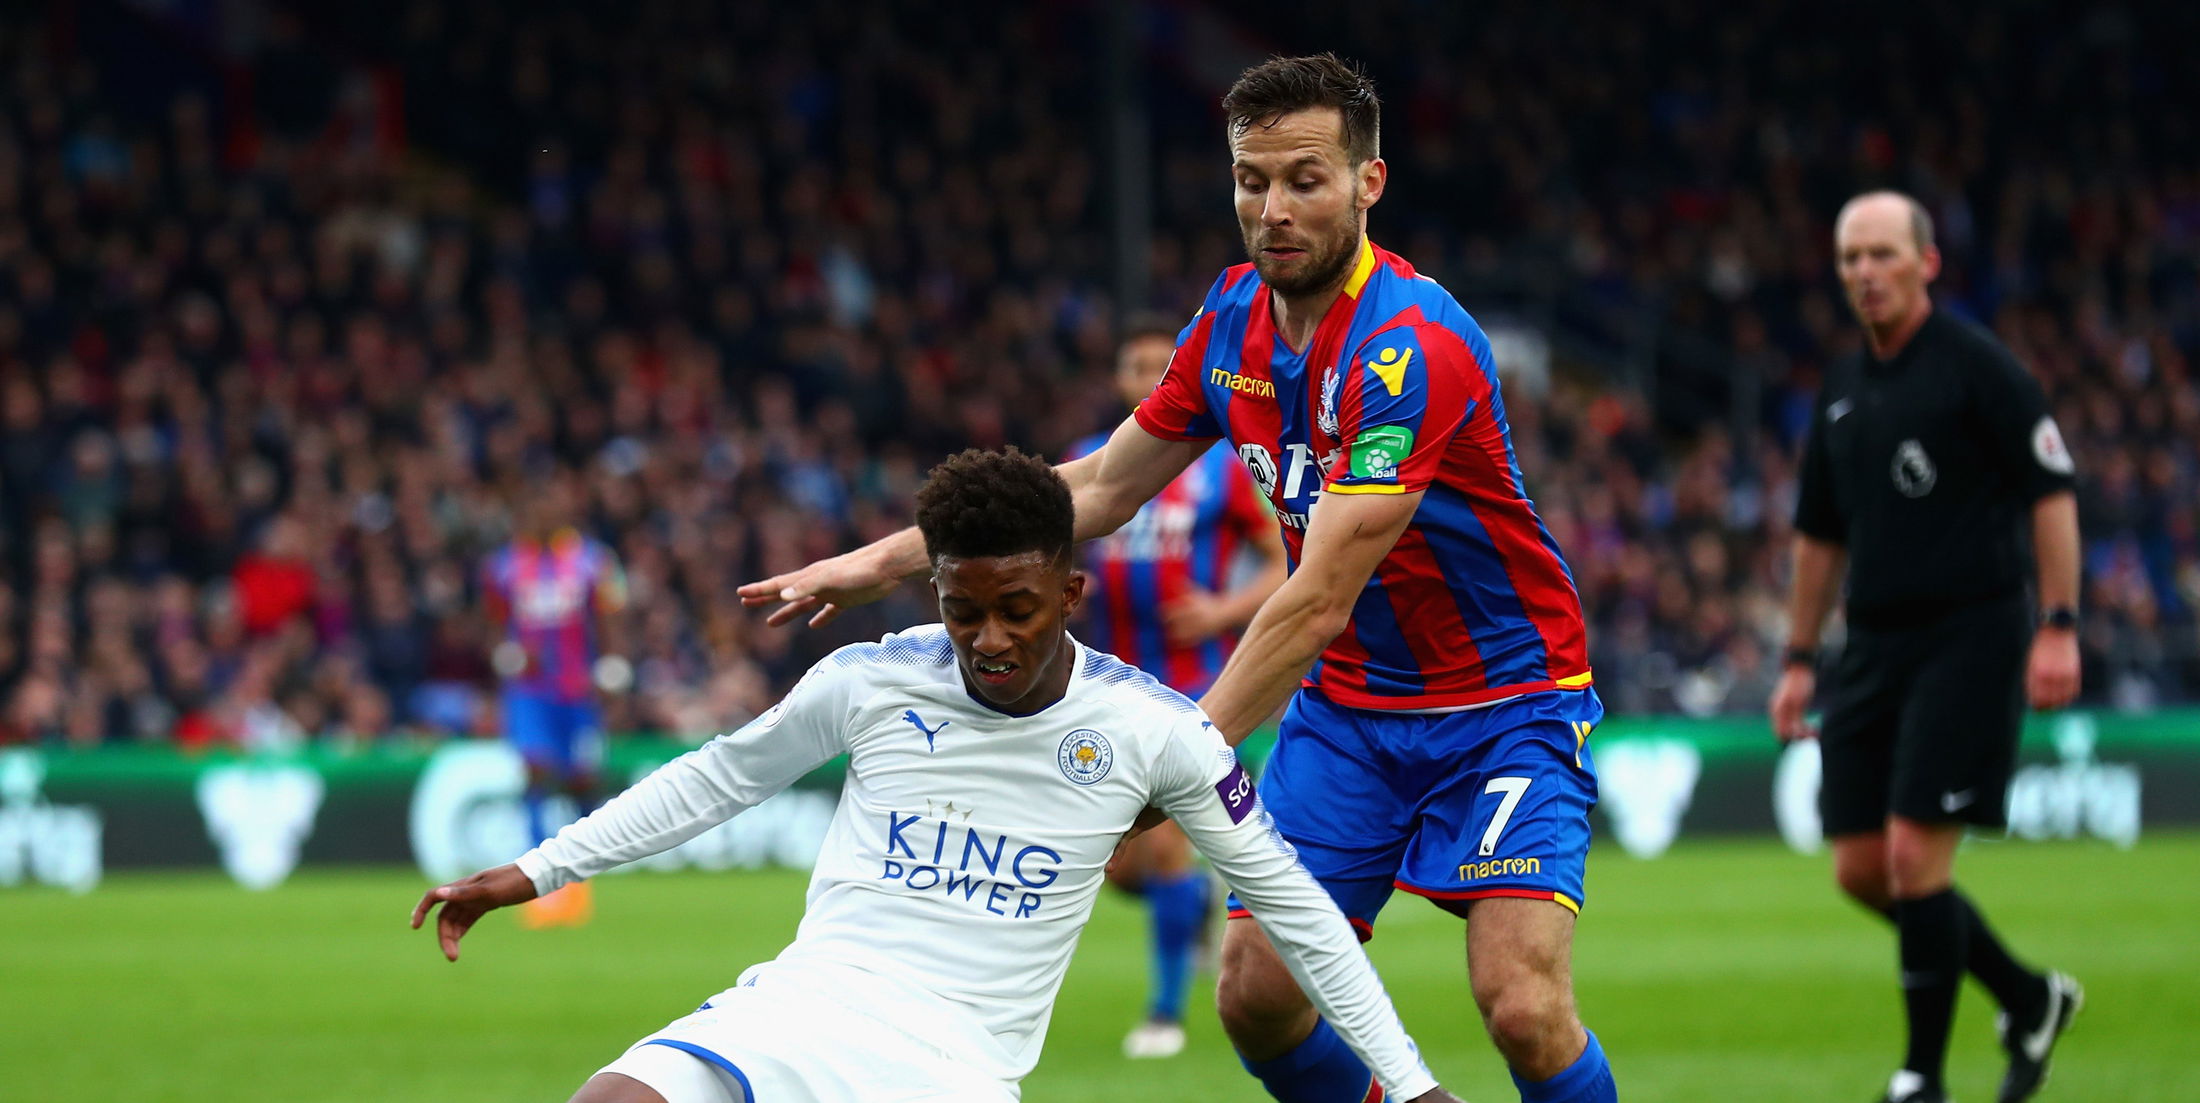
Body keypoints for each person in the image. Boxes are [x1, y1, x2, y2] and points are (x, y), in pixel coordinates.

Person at [742, 55, 1617, 1103]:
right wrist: (887, 557)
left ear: (1366, 185)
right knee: (1254, 995)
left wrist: (1174, 764)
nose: (1274, 208)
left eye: (1305, 179)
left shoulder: (1408, 347)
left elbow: (1316, 595)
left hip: (1502, 701)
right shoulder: (1229, 319)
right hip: (1350, 711)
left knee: (1518, 1003)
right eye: (1252, 180)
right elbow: (1103, 487)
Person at [415, 449, 1460, 1103]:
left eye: (1017, 606)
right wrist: (531, 871)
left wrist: (1410, 1084)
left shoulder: (1155, 730)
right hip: (797, 1011)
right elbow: (715, 779)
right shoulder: (871, 679)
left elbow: (1293, 906)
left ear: (1069, 590)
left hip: (952, 1070)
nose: (988, 637)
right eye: (964, 609)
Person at [1769, 190, 2084, 1103]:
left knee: (1915, 858)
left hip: (1972, 637)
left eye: (1882, 254)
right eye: (1850, 258)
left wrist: (2059, 625)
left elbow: (2052, 493)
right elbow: (1819, 537)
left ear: (1927, 262)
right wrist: (1797, 656)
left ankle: (1922, 1077)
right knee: (1862, 870)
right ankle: (2029, 997)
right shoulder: (1838, 388)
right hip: (1872, 644)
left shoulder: (1980, 369)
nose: (1865, 272)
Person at [1070, 312, 1289, 1059]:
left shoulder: (1223, 467)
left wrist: (1219, 608)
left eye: (1164, 366)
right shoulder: (1089, 464)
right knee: (1122, 870)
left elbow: (1283, 563)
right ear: (1119, 380)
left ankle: (1164, 1013)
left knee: (1161, 848)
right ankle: (1194, 904)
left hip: (1197, 686)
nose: (1149, 379)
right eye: (1137, 366)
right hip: (1112, 684)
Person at [480, 470, 628, 927]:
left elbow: (610, 614)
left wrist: (612, 662)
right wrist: (503, 652)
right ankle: (540, 879)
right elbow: (491, 617)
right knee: (536, 770)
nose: (541, 517)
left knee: (582, 778)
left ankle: (584, 872)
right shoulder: (504, 565)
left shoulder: (592, 561)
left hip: (577, 686)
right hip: (530, 690)